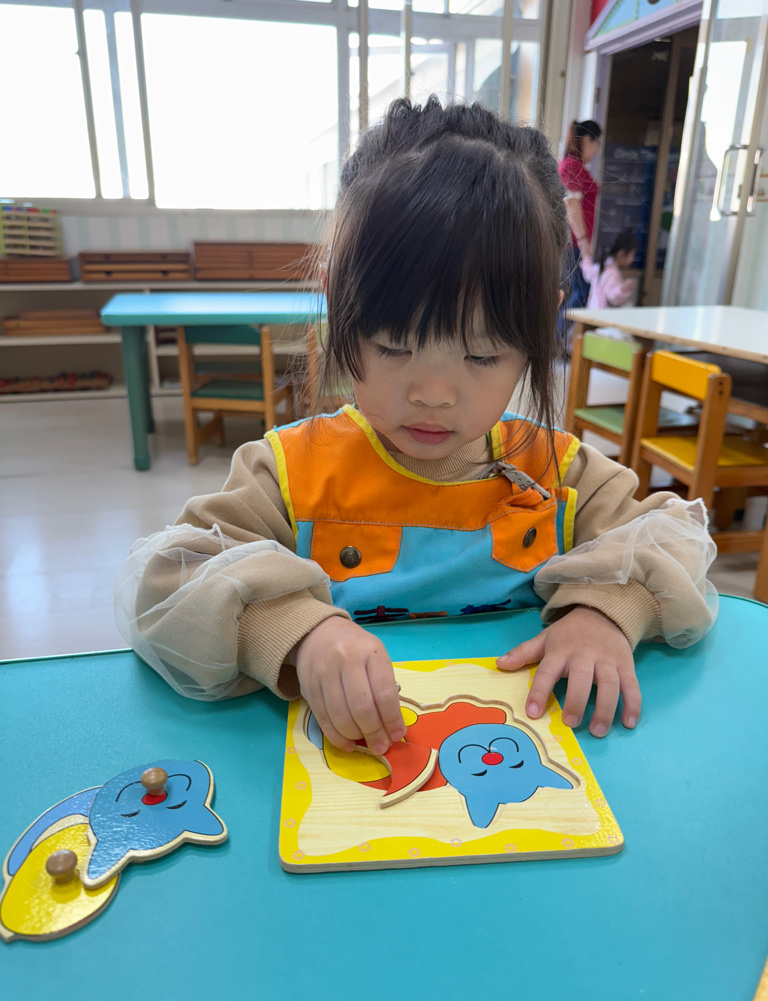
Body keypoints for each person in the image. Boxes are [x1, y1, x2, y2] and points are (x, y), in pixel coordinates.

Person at [116, 97, 717, 758]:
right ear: (337, 303)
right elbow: (168, 586)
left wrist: (605, 613)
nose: (433, 395)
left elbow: (673, 542)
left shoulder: (560, 472)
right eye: (393, 346)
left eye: (482, 355)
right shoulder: (289, 475)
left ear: (537, 327)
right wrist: (295, 631)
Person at [558, 119, 602, 312]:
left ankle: (558, 330)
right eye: (597, 143)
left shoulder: (575, 166)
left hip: (573, 243)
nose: (597, 149)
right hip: (572, 244)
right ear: (586, 140)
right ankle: (558, 332)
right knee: (580, 294)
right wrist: (583, 242)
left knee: (572, 294)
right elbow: (571, 204)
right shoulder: (572, 166)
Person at [580, 229, 639, 310]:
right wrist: (622, 290)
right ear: (621, 254)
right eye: (632, 255)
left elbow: (588, 274)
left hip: (592, 310)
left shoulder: (601, 266)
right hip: (603, 315)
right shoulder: (613, 273)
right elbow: (612, 298)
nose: (632, 259)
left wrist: (586, 258)